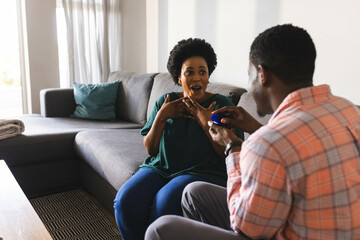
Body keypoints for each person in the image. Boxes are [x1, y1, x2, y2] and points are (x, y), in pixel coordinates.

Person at [145, 24, 360, 240]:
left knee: (160, 229)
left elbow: (245, 225)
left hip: (263, 227)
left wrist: (233, 147)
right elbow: (294, 144)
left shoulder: (268, 142)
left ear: (262, 74)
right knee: (194, 193)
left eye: (250, 74)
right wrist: (255, 127)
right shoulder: (350, 111)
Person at [113, 38, 244, 240]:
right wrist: (161, 117)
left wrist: (205, 122)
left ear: (209, 76)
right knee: (124, 201)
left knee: (164, 203)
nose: (197, 77)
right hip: (160, 167)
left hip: (201, 171)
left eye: (203, 71)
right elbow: (150, 149)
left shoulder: (221, 105)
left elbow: (227, 153)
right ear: (179, 78)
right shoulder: (165, 102)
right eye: (189, 72)